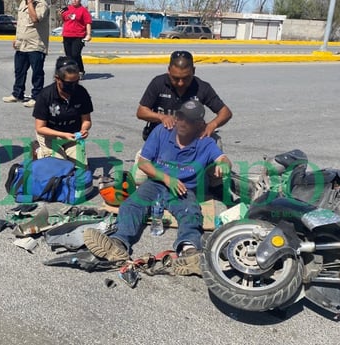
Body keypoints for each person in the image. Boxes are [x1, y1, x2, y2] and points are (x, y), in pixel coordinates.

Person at [84, 100, 231, 276]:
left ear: (200, 124)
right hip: (156, 182)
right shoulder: (162, 131)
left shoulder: (204, 141)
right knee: (131, 205)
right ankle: (118, 244)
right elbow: (143, 162)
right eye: (181, 117)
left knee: (191, 212)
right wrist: (167, 179)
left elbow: (223, 159)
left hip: (184, 189)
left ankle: (190, 252)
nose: (183, 123)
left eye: (190, 120)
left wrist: (223, 166)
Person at [133, 50, 233, 185]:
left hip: (193, 140)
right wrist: (161, 117)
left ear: (194, 71)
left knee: (218, 168)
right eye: (175, 78)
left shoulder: (202, 87)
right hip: (163, 141)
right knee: (139, 178)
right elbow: (141, 111)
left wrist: (212, 125)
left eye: (185, 78)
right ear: (169, 71)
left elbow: (225, 112)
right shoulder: (158, 83)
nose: (180, 83)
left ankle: (210, 184)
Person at [32, 56, 93, 169]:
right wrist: (63, 135)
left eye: (76, 82)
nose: (73, 86)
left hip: (72, 136)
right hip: (50, 136)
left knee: (80, 171)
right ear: (58, 79)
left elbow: (87, 120)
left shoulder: (81, 93)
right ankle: (38, 150)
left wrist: (84, 129)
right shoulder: (45, 95)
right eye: (69, 83)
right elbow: (40, 128)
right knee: (59, 169)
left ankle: (65, 154)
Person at [2, 0, 50, 108]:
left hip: (35, 45)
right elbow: (21, 23)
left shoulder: (41, 4)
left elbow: (35, 19)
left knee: (37, 73)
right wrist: (17, 38)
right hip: (22, 44)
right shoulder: (22, 3)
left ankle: (36, 97)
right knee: (19, 71)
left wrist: (30, 4)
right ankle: (17, 94)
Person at [59, 0, 92, 79]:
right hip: (67, 35)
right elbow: (63, 20)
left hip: (78, 36)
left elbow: (88, 22)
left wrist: (89, 34)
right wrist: (60, 15)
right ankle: (71, 72)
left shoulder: (83, 10)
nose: (74, 1)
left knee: (75, 54)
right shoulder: (67, 9)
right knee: (69, 56)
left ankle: (80, 70)